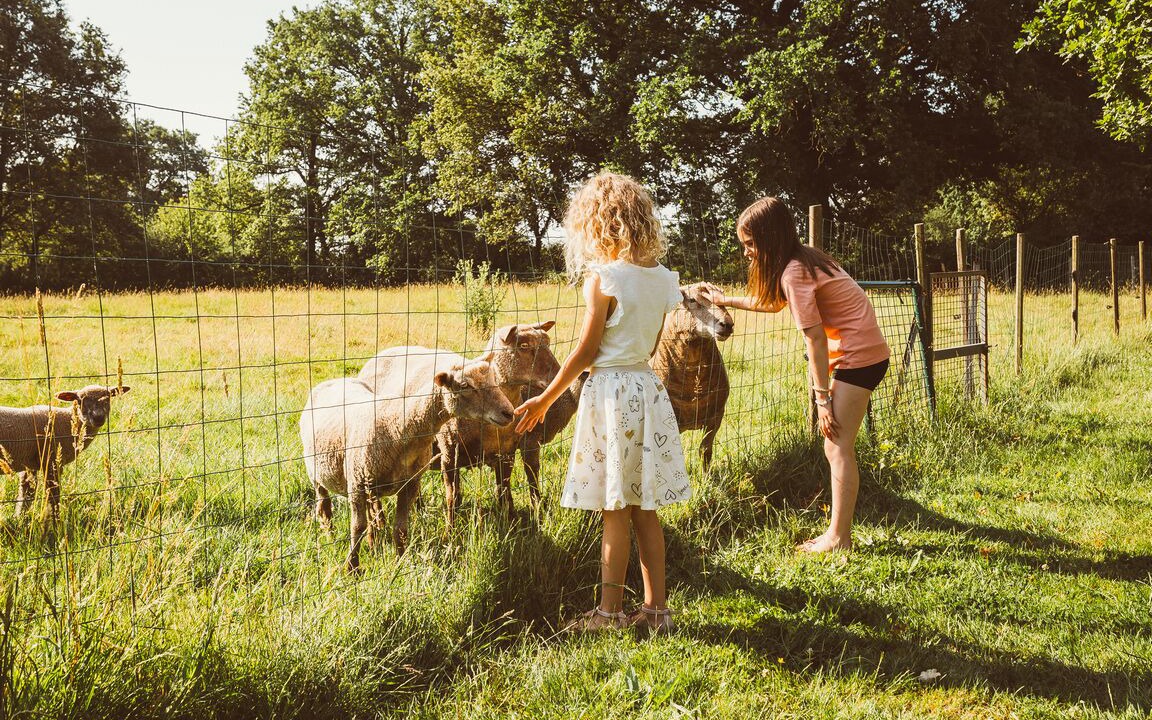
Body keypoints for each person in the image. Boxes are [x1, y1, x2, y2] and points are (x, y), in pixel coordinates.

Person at [515, 171, 690, 633]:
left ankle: (608, 614)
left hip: (612, 395)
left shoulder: (604, 279)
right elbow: (650, 347)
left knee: (615, 508)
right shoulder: (662, 280)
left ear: (596, 224)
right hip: (646, 389)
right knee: (644, 507)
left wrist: (544, 401)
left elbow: (586, 352)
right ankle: (658, 610)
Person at [708, 197, 890, 554]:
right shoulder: (806, 259)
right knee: (838, 445)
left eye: (750, 244)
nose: (746, 252)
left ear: (769, 238)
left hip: (858, 359)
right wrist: (727, 300)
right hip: (867, 355)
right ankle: (839, 534)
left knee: (837, 446)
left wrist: (821, 399)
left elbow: (815, 338)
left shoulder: (794, 271)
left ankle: (839, 539)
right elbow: (774, 303)